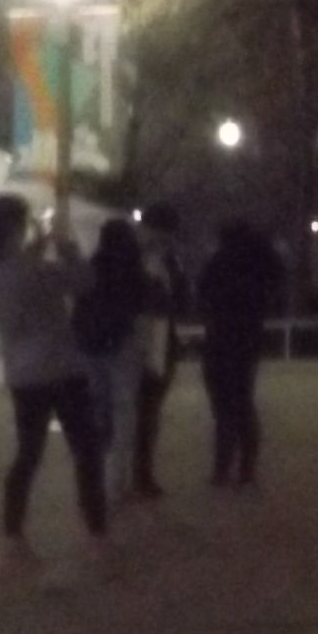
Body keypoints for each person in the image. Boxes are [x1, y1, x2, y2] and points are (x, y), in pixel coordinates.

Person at [0, 193, 109, 567]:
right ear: (13, 229)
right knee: (86, 451)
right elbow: (84, 282)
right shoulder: (35, 271)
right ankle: (96, 533)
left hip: (23, 374)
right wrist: (68, 248)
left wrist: (38, 244)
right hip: (62, 369)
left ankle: (13, 535)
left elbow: (17, 269)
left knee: (28, 455)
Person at [198, 219, 284, 487]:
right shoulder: (261, 265)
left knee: (222, 405)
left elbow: (202, 294)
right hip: (248, 338)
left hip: (220, 336)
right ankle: (246, 467)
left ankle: (222, 465)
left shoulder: (219, 263)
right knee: (243, 401)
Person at [77, 217, 151, 503]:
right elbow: (142, 306)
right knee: (124, 410)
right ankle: (117, 480)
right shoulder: (133, 268)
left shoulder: (93, 266)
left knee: (99, 410)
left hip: (91, 345)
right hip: (123, 344)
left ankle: (95, 477)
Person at [128, 206, 191, 501]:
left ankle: (142, 472)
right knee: (137, 408)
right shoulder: (132, 259)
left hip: (162, 337)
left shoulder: (170, 261)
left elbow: (182, 299)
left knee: (149, 408)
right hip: (138, 337)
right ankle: (133, 473)